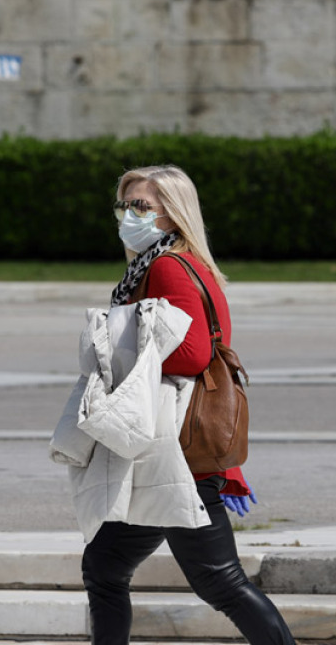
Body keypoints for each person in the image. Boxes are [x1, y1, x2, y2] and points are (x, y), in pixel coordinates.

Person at [81, 165, 295, 645]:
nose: (128, 215)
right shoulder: (178, 262)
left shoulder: (165, 266)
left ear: (172, 215)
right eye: (125, 205)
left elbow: (194, 352)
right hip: (166, 448)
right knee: (105, 565)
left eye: (142, 206)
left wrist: (119, 346)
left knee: (221, 581)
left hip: (175, 451)